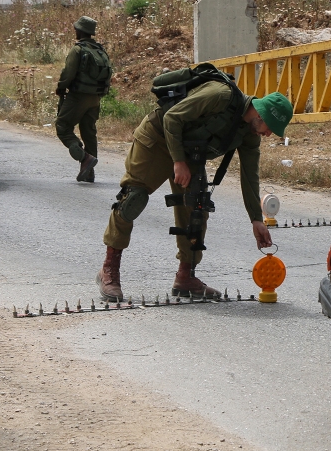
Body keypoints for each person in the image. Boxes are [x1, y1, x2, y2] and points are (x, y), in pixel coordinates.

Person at [95, 74, 293, 302]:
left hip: (190, 153)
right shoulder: (220, 96)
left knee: (197, 208)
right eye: (270, 128)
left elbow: (250, 176)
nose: (268, 134)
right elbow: (171, 119)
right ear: (260, 114)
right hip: (159, 137)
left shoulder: (249, 134)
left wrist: (256, 219)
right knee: (133, 199)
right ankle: (109, 270)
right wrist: (178, 161)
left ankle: (186, 277)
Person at [55, 16, 112, 182]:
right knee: (89, 132)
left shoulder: (78, 49)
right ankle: (89, 173)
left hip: (78, 96)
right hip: (95, 98)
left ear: (80, 31)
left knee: (63, 127)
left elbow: (69, 72)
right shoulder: (99, 49)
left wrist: (61, 86)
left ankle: (84, 158)